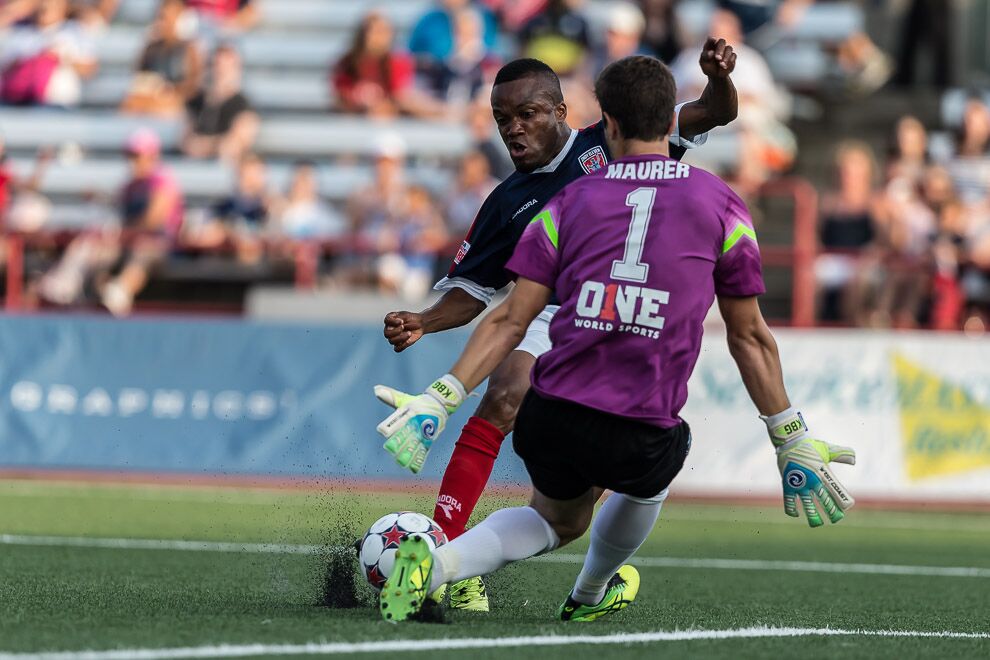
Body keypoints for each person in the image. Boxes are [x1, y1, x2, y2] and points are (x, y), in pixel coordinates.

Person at [375, 55, 855, 624]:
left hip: (572, 345)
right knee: (557, 423)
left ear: (595, 122)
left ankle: (448, 562)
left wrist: (442, 393)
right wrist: (788, 435)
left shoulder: (571, 199)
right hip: (610, 331)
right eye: (502, 119)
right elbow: (748, 334)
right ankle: (575, 584)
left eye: (525, 114)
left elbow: (505, 320)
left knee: (560, 498)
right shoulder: (717, 201)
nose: (513, 129)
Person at [0, 0, 98, 107]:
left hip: (58, 103)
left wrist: (61, 57)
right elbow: (5, 68)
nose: (46, 7)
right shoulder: (20, 32)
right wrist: (29, 61)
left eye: (53, 4)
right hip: (19, 101)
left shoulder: (74, 32)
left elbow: (89, 70)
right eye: (43, 3)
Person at [121, 0, 204, 117]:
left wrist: (171, 92)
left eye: (170, 18)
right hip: (150, 98)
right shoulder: (151, 48)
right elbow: (139, 77)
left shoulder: (190, 49)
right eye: (163, 17)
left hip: (175, 104)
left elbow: (192, 86)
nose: (166, 23)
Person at [182, 43, 258, 163]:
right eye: (216, 65)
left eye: (226, 66)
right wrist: (216, 144)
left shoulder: (242, 105)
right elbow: (186, 142)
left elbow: (233, 146)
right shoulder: (196, 101)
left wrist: (204, 145)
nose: (220, 71)